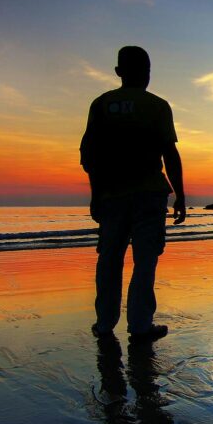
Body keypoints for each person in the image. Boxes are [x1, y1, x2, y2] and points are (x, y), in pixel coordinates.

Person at [80, 46, 185, 343]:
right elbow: (170, 154)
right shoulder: (158, 106)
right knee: (145, 261)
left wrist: (95, 193)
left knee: (109, 259)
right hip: (149, 195)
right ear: (147, 73)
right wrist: (181, 195)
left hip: (111, 196)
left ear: (118, 72)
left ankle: (104, 324)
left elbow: (89, 155)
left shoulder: (101, 104)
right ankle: (140, 327)